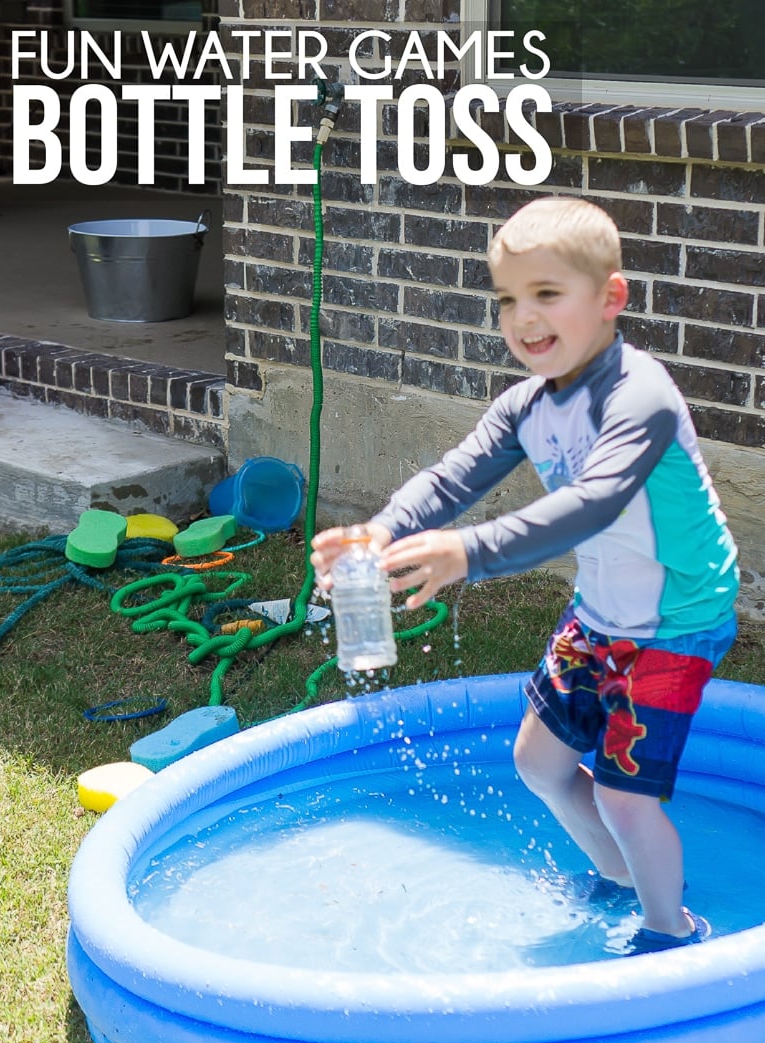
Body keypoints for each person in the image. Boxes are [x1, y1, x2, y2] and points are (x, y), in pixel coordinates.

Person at [311, 195, 739, 955]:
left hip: (678, 621)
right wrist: (381, 532)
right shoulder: (527, 405)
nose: (522, 318)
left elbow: (593, 504)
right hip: (603, 612)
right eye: (508, 299)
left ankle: (671, 933)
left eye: (547, 294)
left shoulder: (638, 397)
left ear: (611, 298)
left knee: (624, 796)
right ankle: (622, 880)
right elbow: (453, 477)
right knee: (538, 762)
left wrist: (468, 553)